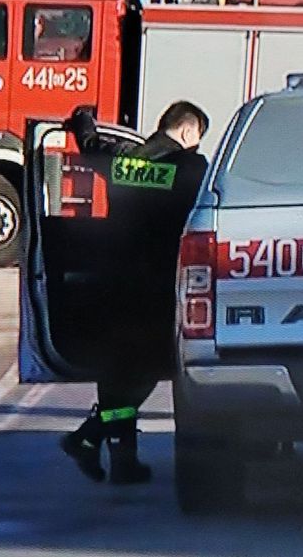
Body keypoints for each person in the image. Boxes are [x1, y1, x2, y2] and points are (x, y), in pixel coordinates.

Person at [60, 100, 210, 484]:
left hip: (114, 281)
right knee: (149, 371)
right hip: (159, 285)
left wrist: (83, 125)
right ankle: (91, 439)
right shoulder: (192, 168)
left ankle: (118, 459)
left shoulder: (124, 162)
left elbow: (92, 147)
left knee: (119, 373)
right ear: (189, 131)